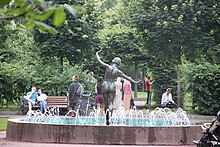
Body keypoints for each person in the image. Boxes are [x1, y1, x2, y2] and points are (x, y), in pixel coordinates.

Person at [96, 50, 139, 125]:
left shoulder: (108, 67)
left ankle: (106, 119)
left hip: (105, 84)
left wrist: (97, 53)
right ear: (118, 63)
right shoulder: (118, 71)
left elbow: (99, 61)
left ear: (113, 62)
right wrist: (135, 82)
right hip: (112, 85)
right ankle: (111, 118)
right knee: (111, 103)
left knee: (105, 103)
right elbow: (128, 78)